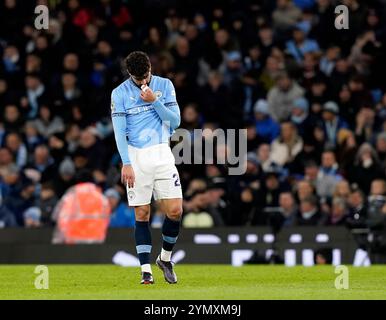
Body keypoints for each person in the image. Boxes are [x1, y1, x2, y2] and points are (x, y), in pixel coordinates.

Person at [111, 51, 183, 285]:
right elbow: (120, 131)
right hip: (136, 155)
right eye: (138, 78)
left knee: (175, 211)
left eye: (146, 75)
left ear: (151, 67)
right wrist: (126, 162)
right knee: (142, 213)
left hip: (162, 152)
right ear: (129, 74)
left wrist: (155, 101)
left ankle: (164, 258)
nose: (143, 81)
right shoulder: (119, 93)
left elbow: (175, 121)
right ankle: (145, 270)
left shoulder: (164, 85)